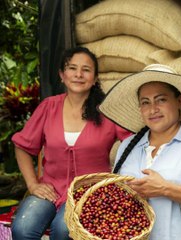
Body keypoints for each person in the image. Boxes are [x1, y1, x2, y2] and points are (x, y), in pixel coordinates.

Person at [11, 46, 131, 240]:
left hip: (90, 192)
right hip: (51, 188)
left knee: (64, 230)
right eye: (72, 68)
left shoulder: (107, 111)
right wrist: (33, 184)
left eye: (86, 69)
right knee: (23, 229)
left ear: (95, 78)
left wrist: (119, 184)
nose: (78, 74)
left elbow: (134, 144)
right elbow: (22, 147)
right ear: (62, 74)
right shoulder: (49, 106)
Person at [98, 64, 181, 240]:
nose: (153, 109)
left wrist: (165, 188)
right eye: (145, 102)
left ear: (179, 101)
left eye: (161, 100)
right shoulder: (128, 146)